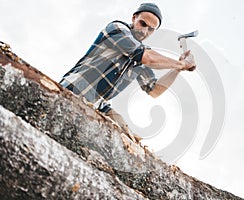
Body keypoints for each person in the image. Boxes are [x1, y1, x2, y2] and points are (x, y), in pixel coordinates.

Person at [59, 3, 196, 140]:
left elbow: (154, 90)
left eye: (150, 29)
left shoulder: (142, 58)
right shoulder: (117, 28)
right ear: (134, 18)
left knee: (128, 136)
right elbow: (146, 57)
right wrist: (181, 63)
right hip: (75, 88)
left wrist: (178, 69)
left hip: (97, 104)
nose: (144, 32)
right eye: (142, 24)